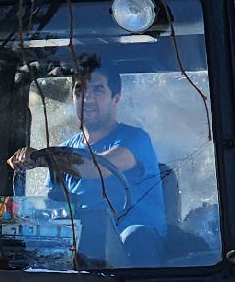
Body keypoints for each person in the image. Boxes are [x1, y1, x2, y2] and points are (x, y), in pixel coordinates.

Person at [9, 59, 167, 264]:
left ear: (115, 99)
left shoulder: (135, 139)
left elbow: (97, 168)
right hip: (84, 249)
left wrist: (41, 157)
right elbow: (54, 205)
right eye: (80, 90)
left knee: (136, 236)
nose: (87, 98)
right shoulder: (63, 150)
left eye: (98, 90)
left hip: (133, 253)